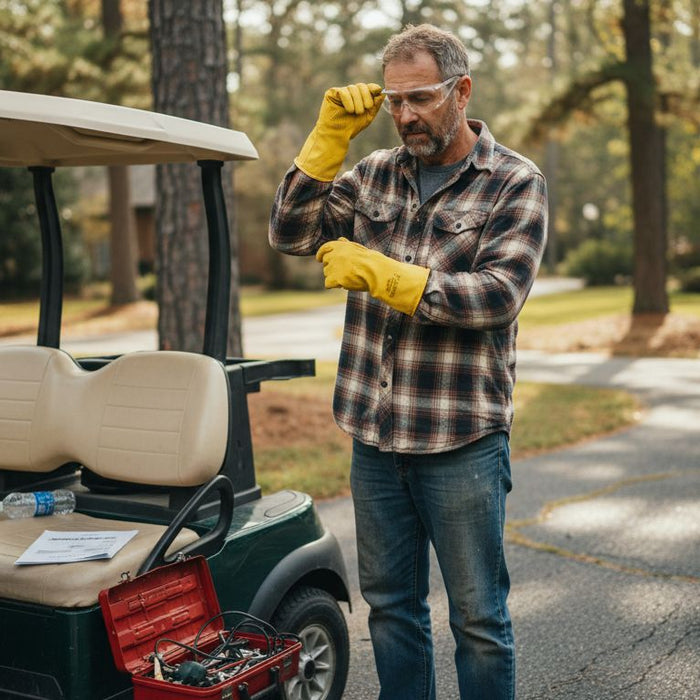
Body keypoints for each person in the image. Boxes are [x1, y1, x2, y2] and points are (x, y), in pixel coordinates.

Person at [269, 23, 547, 700]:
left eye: (419, 98)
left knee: (479, 620)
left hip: (461, 443)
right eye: (394, 101)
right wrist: (327, 140)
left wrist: (387, 275)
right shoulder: (371, 174)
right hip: (375, 437)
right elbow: (291, 233)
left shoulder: (513, 182)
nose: (404, 115)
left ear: (461, 90)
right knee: (392, 612)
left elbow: (496, 297)